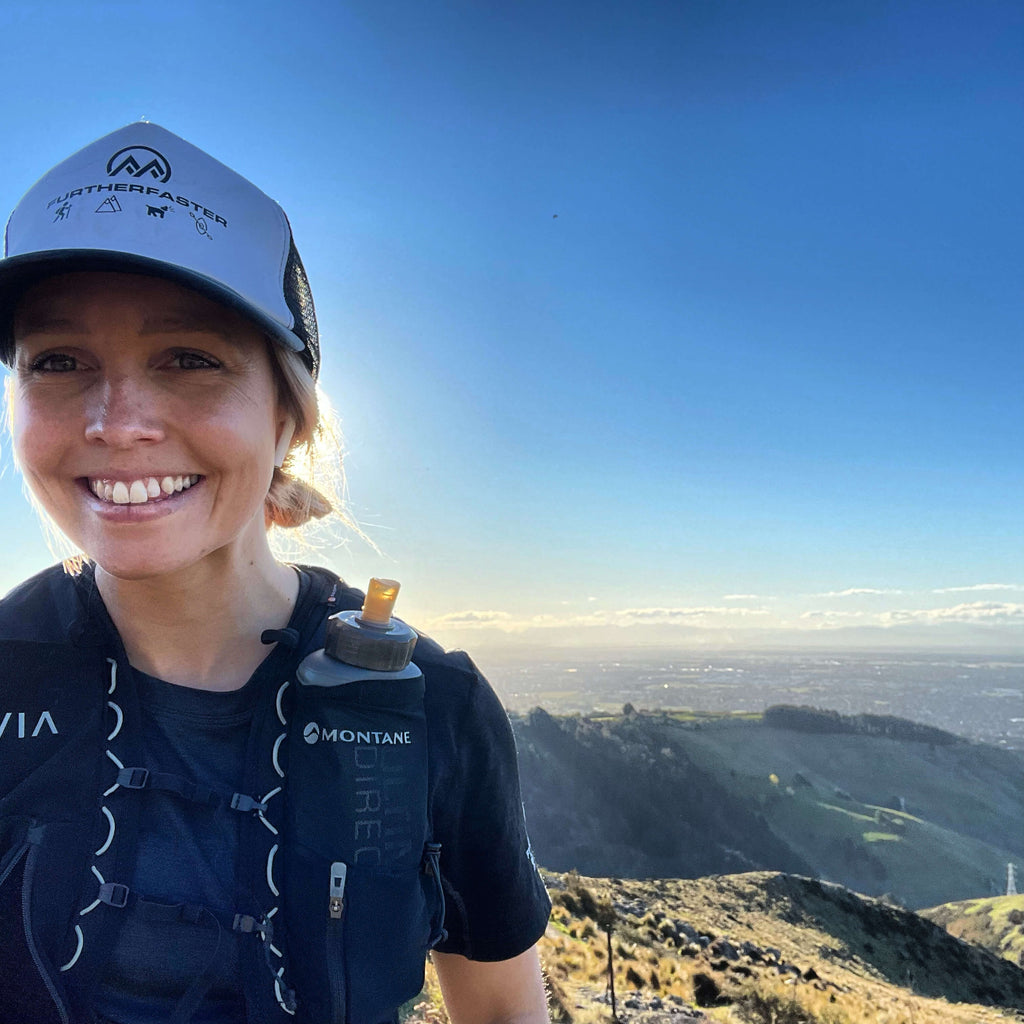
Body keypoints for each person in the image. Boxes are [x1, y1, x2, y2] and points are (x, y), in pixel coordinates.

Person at [0, 123, 551, 1024]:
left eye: (190, 359)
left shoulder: (430, 707)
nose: (118, 421)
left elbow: (500, 1013)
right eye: (58, 362)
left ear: (289, 418)